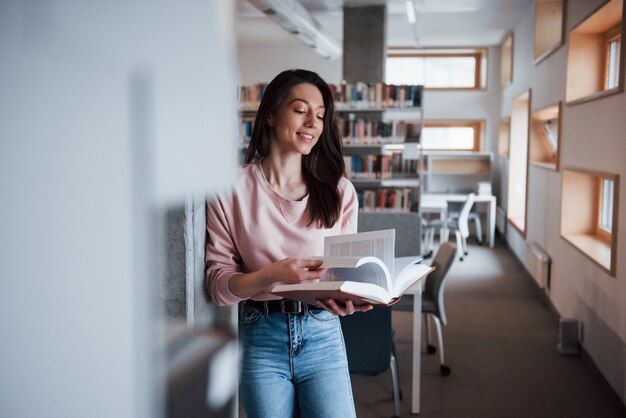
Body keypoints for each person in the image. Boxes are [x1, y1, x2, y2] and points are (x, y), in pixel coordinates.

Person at [205, 69, 372, 418]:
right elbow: (218, 286)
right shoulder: (229, 190)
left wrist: (348, 299)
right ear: (269, 114)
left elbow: (347, 275)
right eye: (300, 109)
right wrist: (270, 276)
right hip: (260, 335)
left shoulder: (340, 191)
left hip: (323, 333)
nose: (313, 121)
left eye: (321, 115)